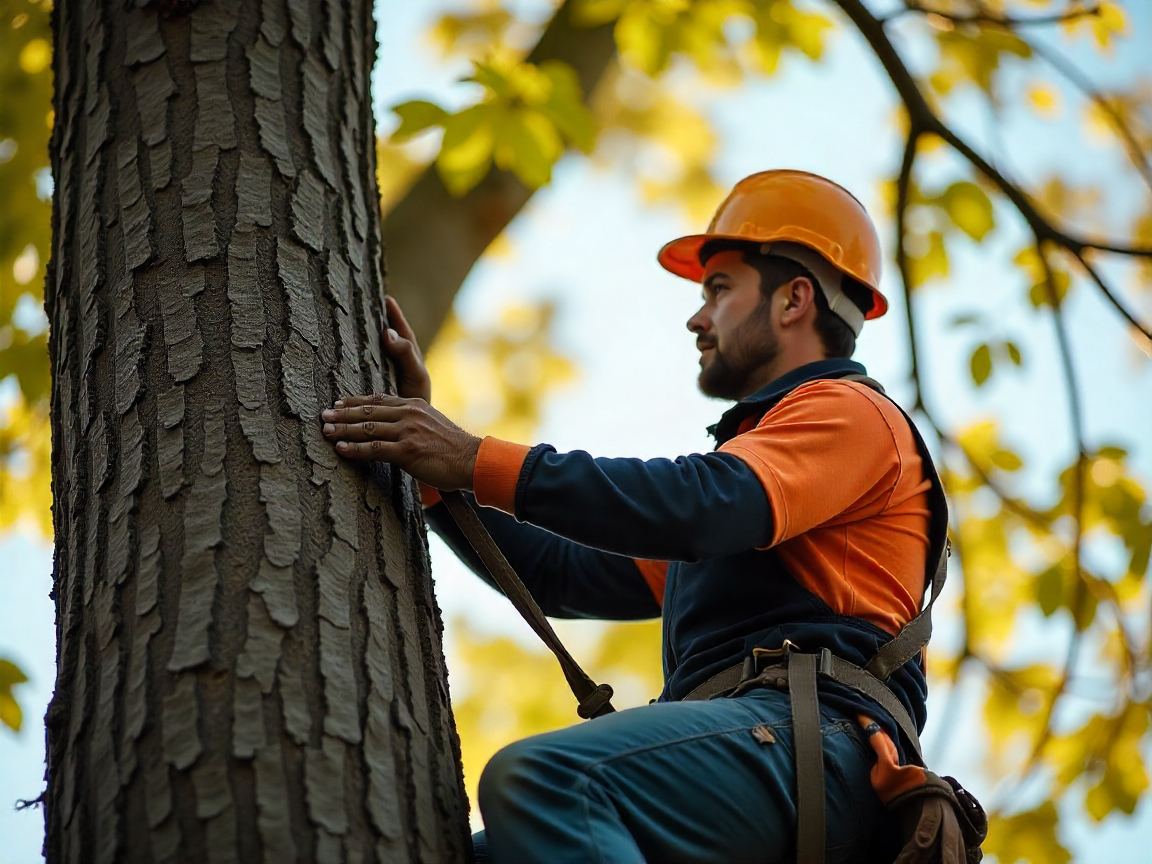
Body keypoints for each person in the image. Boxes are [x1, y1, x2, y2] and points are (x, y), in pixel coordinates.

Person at [320, 170, 978, 864]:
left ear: (794, 299)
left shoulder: (849, 415)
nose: (698, 319)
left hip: (815, 751)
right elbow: (559, 573)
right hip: (759, 765)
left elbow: (698, 505)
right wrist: (435, 479)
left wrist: (471, 456)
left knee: (549, 781)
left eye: (719, 290)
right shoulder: (768, 499)